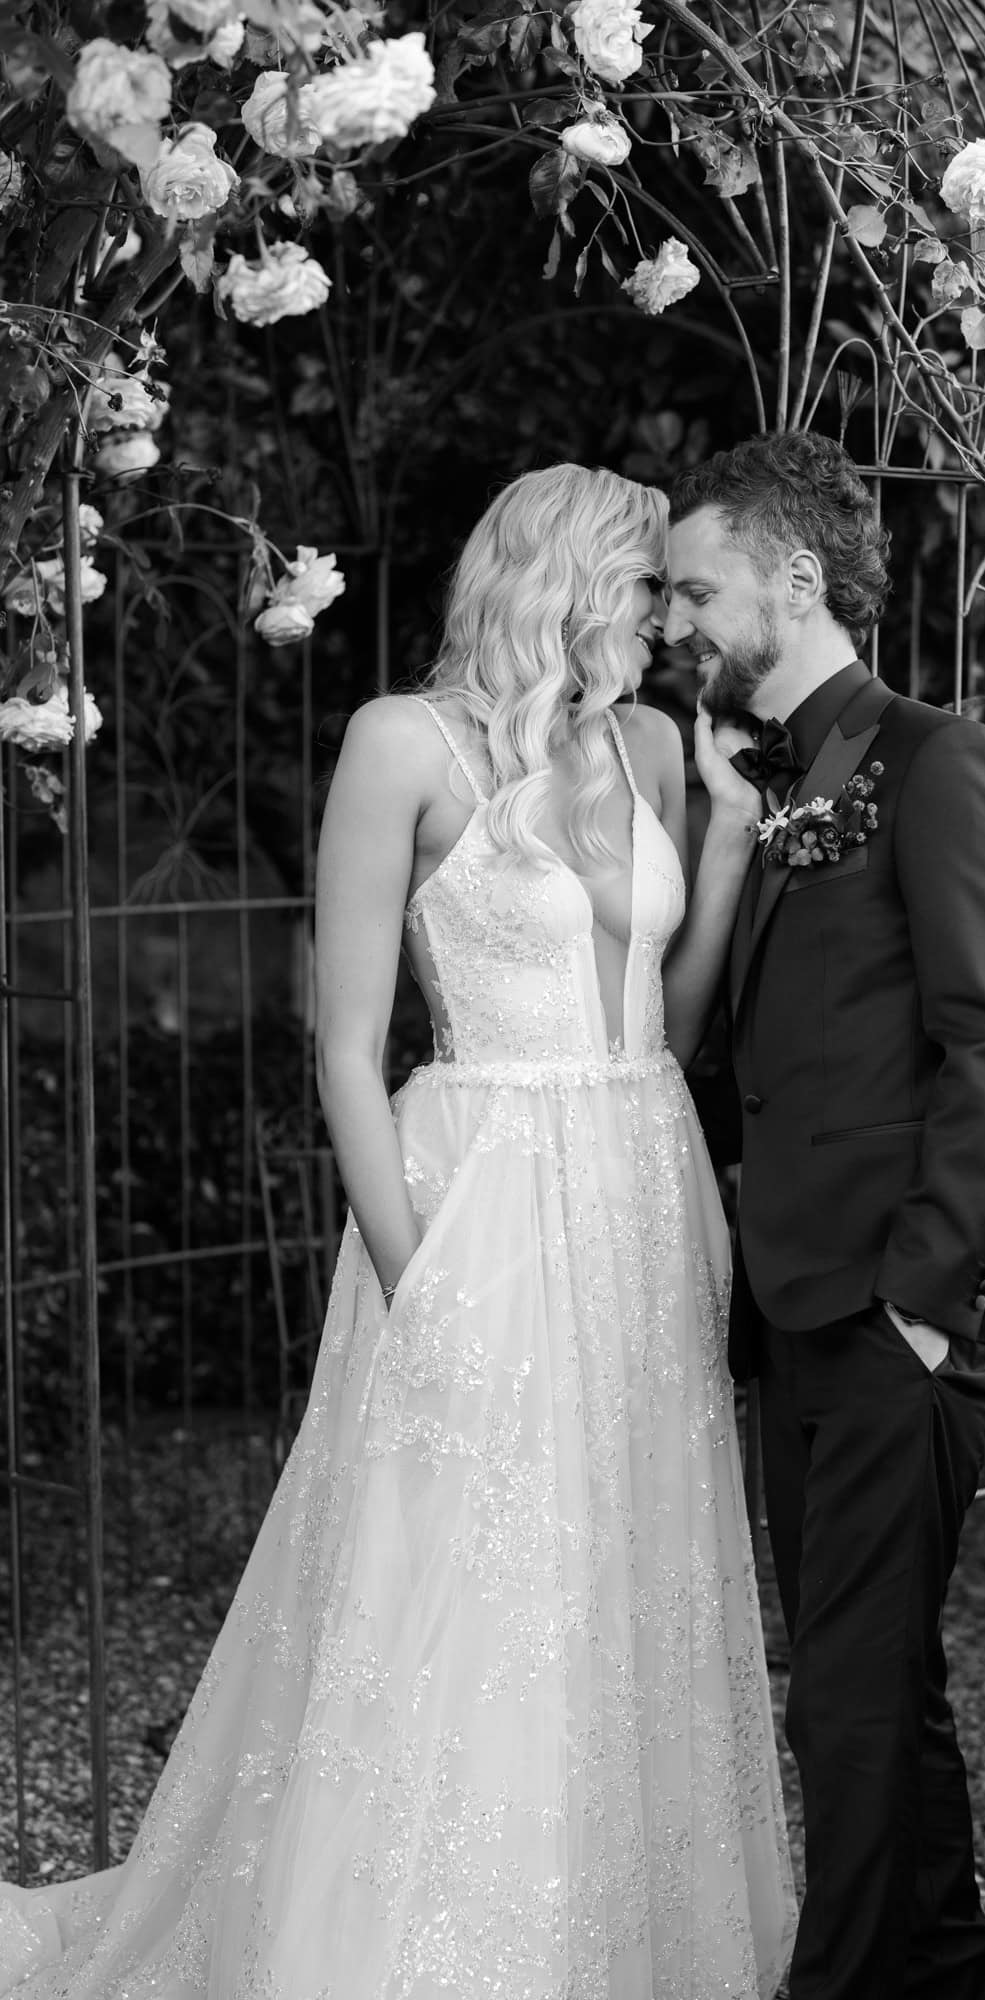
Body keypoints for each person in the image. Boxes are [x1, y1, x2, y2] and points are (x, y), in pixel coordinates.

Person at [0, 464, 796, 1999]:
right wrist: (413, 1272)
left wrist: (727, 847)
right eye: (649, 588)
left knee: (622, 1556)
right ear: (567, 580)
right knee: (456, 1561)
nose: (669, 621)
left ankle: (606, 1933)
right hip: (478, 1192)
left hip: (639, 1182)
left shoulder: (646, 743)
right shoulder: (399, 744)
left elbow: (667, 1023)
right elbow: (345, 1046)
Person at [665, 432, 985, 2000]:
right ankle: (944, 1972)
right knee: (879, 1691)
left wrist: (918, 1294)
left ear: (796, 580)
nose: (674, 617)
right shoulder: (766, 785)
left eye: (697, 588)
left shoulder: (937, 758)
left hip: (900, 1317)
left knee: (842, 1697)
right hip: (800, 1306)